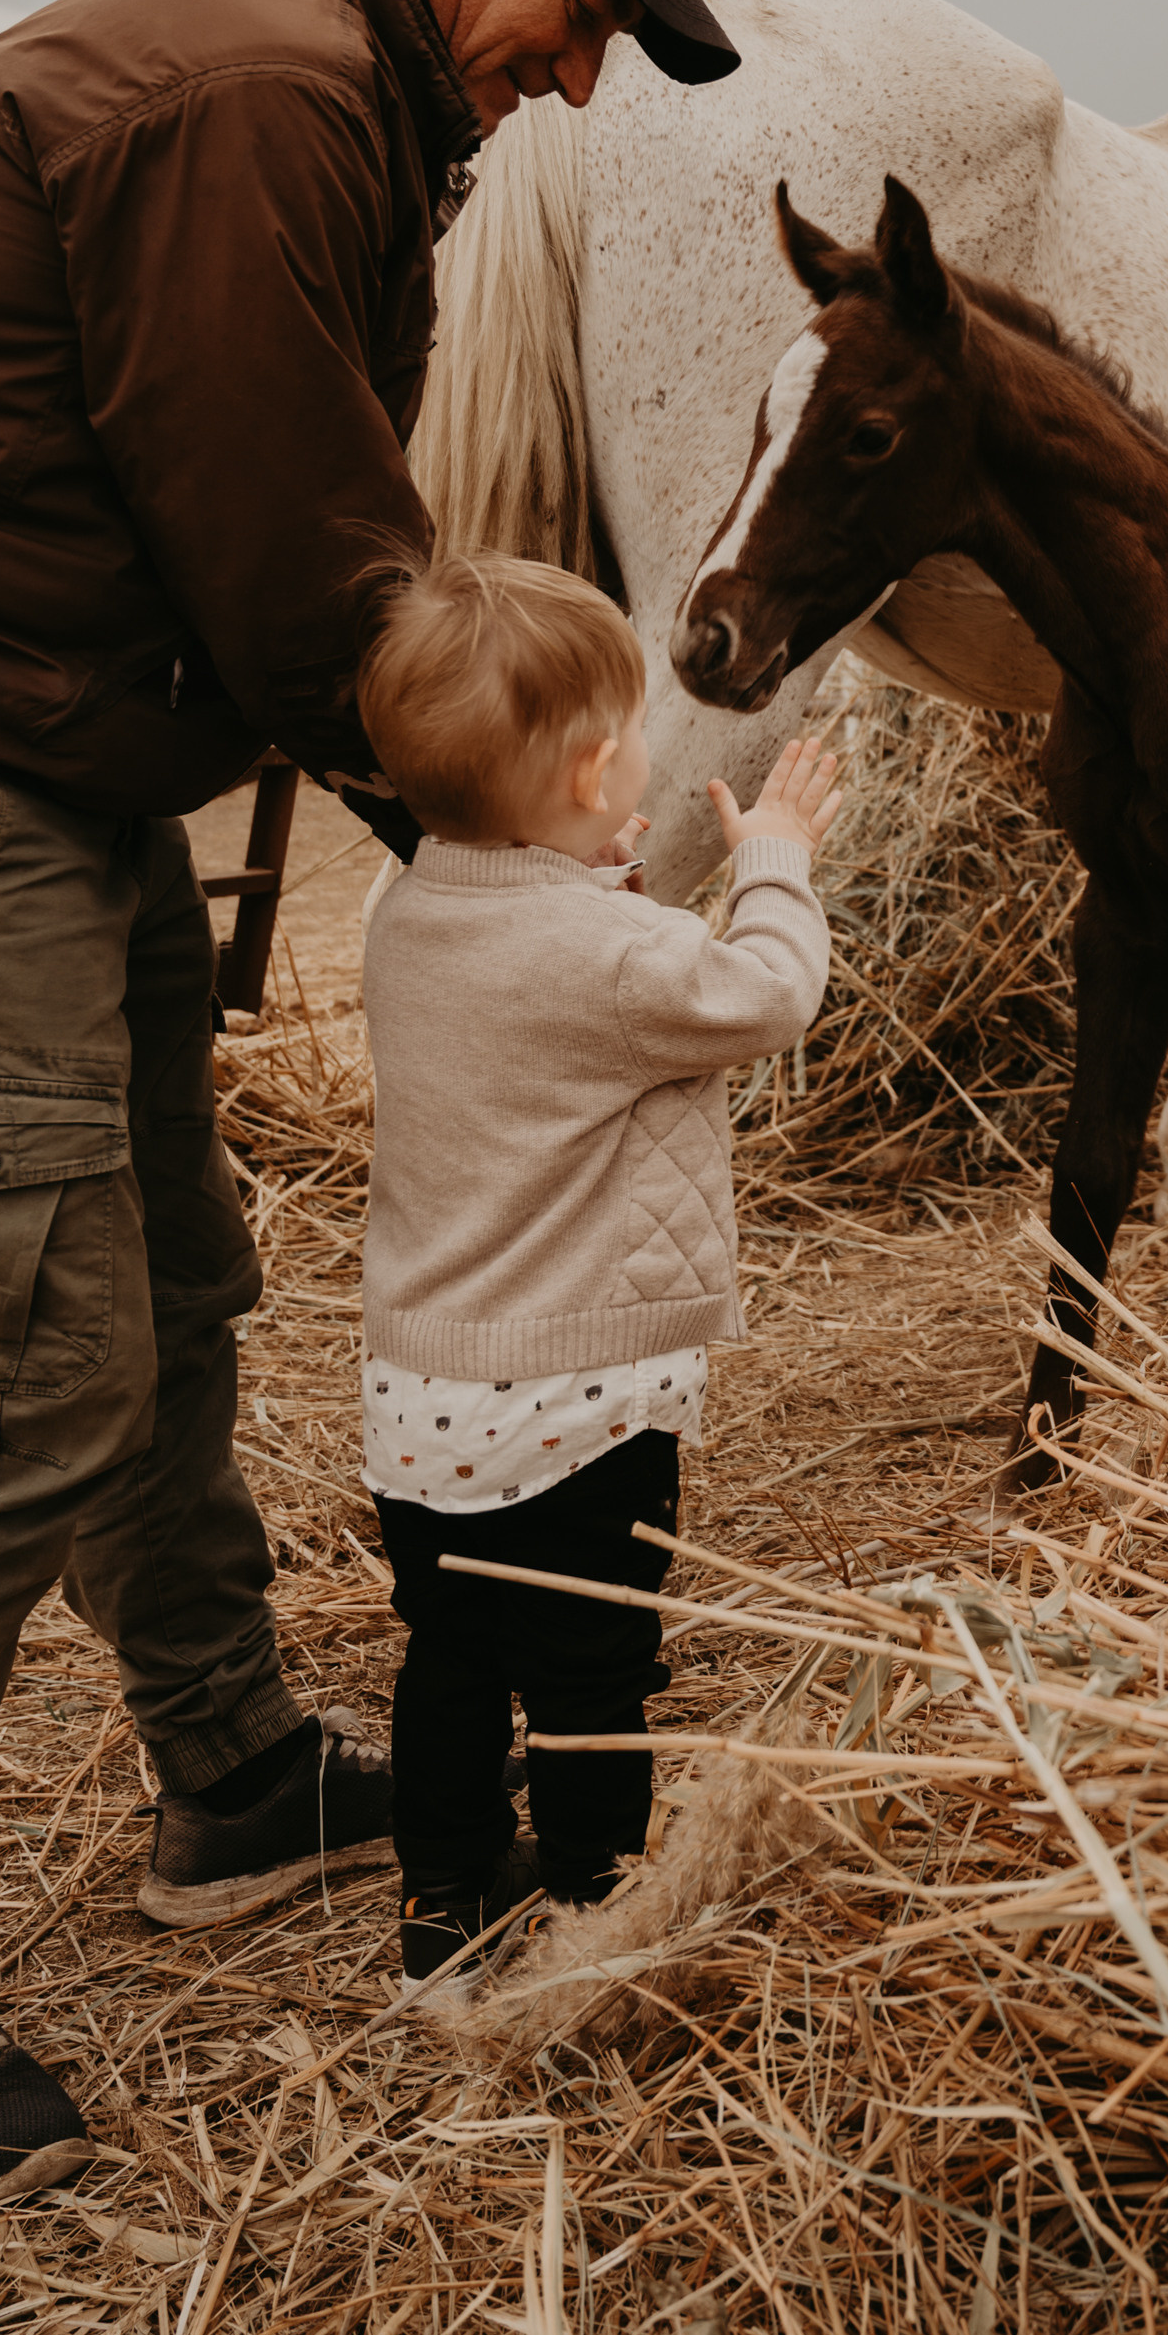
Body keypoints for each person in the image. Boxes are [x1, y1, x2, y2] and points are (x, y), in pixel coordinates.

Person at [0, 0, 740, 2208]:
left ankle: (230, 1776)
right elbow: (308, 576)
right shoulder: (266, 94)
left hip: (57, 765)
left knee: (161, 1289)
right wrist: (525, 854)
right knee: (13, 1354)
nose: (579, 78)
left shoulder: (344, 99)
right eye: (581, 10)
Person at [350, 556, 836, 1996]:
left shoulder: (403, 919)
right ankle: (590, 1900)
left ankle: (439, 1904)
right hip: (584, 1402)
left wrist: (592, 869)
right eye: (632, 731)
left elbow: (533, 963)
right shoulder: (619, 952)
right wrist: (777, 862)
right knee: (589, 1676)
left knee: (448, 1656)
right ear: (582, 772)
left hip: (420, 1397)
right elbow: (767, 994)